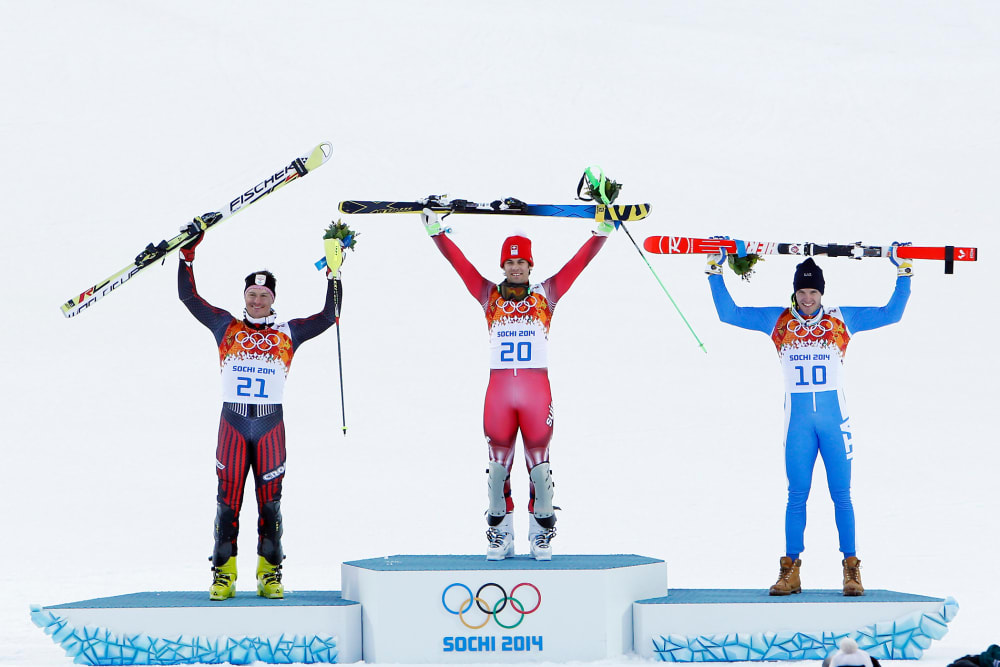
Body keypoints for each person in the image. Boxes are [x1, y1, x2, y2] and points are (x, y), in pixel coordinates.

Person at [705, 244, 913, 596]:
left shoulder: (841, 318)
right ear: (794, 291)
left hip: (834, 420)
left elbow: (891, 314)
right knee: (796, 494)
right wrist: (715, 271)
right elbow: (729, 313)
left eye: (813, 291)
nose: (807, 298)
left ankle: (851, 569)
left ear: (822, 293)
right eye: (801, 291)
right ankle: (790, 571)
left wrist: (904, 272)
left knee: (841, 495)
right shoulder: (778, 319)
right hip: (798, 423)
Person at [420, 208, 615, 560]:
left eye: (522, 261)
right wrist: (437, 233)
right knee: (497, 472)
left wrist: (601, 231)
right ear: (503, 266)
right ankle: (500, 534)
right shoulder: (489, 296)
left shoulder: (546, 295)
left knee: (540, 470)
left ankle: (541, 535)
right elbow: (460, 265)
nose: (515, 267)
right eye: (510, 262)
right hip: (498, 395)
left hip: (535, 393)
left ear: (530, 265)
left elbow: (578, 264)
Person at [177, 215, 345, 600]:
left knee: (270, 505)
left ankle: (270, 574)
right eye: (252, 294)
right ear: (244, 296)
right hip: (232, 425)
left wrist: (334, 274)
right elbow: (189, 298)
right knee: (227, 503)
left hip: (270, 427)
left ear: (273, 298)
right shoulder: (226, 327)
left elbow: (328, 317)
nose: (257, 300)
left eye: (264, 295)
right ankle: (223, 574)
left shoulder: (289, 332)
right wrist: (187, 258)